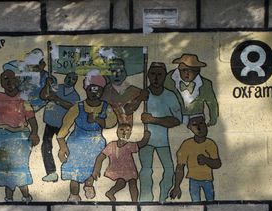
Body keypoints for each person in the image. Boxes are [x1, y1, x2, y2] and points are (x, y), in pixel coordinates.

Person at [0, 61, 39, 203]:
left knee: (21, 165)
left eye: (12, 79)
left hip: (22, 136)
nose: (9, 82)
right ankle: (9, 197)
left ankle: (25, 196)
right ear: (2, 83)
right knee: (6, 166)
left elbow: (32, 118)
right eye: (5, 79)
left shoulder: (23, 98)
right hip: (4, 135)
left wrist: (34, 133)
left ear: (18, 80)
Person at [57, 71, 117, 202]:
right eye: (91, 89)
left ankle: (89, 185)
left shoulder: (106, 107)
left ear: (102, 91)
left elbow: (112, 122)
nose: (94, 92)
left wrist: (97, 120)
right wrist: (62, 145)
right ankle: (74, 194)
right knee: (74, 172)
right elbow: (65, 126)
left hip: (95, 144)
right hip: (77, 143)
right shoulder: (78, 107)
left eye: (98, 90)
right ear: (86, 89)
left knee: (92, 170)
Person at [129, 62, 182, 202]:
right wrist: (140, 98)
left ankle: (163, 196)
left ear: (164, 76)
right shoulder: (143, 94)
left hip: (162, 141)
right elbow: (127, 110)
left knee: (169, 169)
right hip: (145, 140)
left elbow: (177, 120)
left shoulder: (170, 96)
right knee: (146, 171)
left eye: (160, 74)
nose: (156, 78)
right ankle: (145, 199)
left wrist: (154, 120)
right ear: (148, 76)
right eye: (153, 74)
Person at [38, 72, 80, 182]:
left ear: (75, 82)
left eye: (73, 79)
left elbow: (71, 107)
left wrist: (56, 99)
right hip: (50, 122)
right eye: (68, 77)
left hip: (63, 125)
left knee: (66, 147)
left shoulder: (75, 95)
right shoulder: (56, 87)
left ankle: (71, 168)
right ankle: (51, 172)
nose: (70, 80)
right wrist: (47, 85)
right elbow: (43, 96)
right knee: (46, 146)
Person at [92, 123, 150, 202]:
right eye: (121, 129)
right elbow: (101, 156)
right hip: (117, 169)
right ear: (116, 132)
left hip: (129, 170)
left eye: (127, 130)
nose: (124, 132)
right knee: (121, 183)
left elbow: (141, 144)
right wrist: (96, 169)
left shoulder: (130, 145)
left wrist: (146, 137)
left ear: (130, 134)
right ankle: (110, 192)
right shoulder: (112, 145)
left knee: (133, 184)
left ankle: (135, 202)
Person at [170, 115, 221, 202]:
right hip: (193, 181)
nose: (199, 127)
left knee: (211, 204)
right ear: (190, 128)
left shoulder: (210, 144)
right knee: (195, 205)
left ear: (205, 124)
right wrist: (177, 186)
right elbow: (180, 167)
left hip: (207, 180)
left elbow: (217, 163)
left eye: (201, 123)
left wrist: (206, 160)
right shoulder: (187, 144)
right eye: (194, 125)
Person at [164, 53, 219, 127]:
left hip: (197, 118)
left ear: (198, 71)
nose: (187, 73)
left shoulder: (205, 84)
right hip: (175, 117)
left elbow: (212, 102)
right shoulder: (169, 79)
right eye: (184, 70)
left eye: (192, 71)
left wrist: (213, 119)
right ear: (179, 69)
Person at [102, 57, 142, 126]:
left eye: (120, 71)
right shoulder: (105, 92)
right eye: (112, 71)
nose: (117, 75)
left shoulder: (135, 91)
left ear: (125, 72)